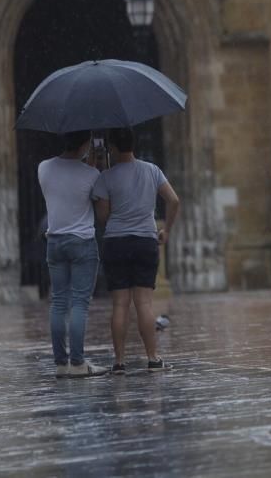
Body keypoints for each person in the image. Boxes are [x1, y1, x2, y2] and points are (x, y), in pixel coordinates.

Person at [92, 127, 180, 374]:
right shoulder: (152, 170)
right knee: (144, 303)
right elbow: (173, 200)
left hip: (116, 242)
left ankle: (119, 362)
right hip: (145, 241)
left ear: (113, 147)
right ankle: (153, 358)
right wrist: (167, 230)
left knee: (120, 304)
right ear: (133, 144)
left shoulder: (105, 177)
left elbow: (103, 218)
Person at [37, 131, 108, 378]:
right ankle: (77, 362)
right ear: (86, 144)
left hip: (54, 241)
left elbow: (64, 189)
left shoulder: (44, 168)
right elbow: (101, 215)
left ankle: (60, 362)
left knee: (58, 302)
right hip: (82, 243)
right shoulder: (92, 175)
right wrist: (95, 169)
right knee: (79, 302)